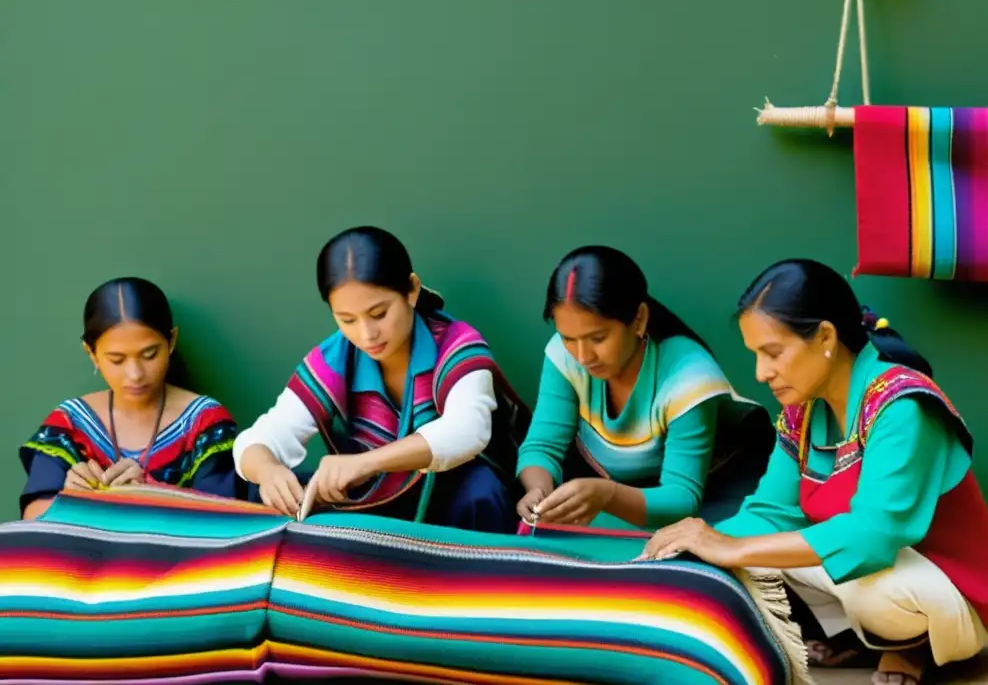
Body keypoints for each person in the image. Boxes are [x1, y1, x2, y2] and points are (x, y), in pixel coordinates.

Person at [640, 259, 988, 685]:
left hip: (948, 595)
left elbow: (874, 537)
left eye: (773, 353)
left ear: (824, 337)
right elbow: (770, 513)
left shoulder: (902, 405)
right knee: (744, 555)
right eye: (756, 355)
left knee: (861, 585)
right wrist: (694, 548)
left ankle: (911, 645)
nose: (761, 373)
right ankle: (857, 640)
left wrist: (733, 550)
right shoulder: (802, 412)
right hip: (870, 574)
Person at [232, 226, 523, 532]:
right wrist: (267, 472)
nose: (366, 334)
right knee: (271, 493)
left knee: (482, 489)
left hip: (449, 504)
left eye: (379, 313)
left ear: (411, 290)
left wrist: (364, 463)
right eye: (347, 320)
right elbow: (257, 439)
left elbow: (468, 430)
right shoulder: (335, 359)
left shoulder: (455, 345)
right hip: (374, 504)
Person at [515, 246, 774, 532]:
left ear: (638, 319)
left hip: (717, 498)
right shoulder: (564, 357)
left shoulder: (689, 376)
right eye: (567, 338)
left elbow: (682, 498)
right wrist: (538, 491)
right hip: (626, 494)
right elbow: (541, 446)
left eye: (598, 338)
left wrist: (606, 495)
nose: (583, 356)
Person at [20, 278, 243, 520]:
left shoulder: (204, 422)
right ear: (91, 353)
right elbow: (33, 517)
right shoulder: (70, 423)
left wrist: (149, 492)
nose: (135, 374)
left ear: (171, 341)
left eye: (150, 354)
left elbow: (222, 519)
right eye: (117, 359)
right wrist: (69, 499)